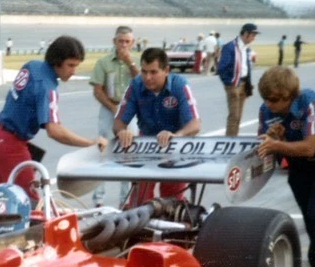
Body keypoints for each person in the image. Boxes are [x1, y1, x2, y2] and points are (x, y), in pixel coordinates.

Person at [0, 35, 107, 201]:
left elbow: (26, 103)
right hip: (12, 144)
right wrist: (90, 143)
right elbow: (54, 130)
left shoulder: (32, 66)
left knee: (1, 198)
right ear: (57, 61)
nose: (73, 71)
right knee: (29, 201)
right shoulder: (47, 88)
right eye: (70, 65)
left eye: (76, 66)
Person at [257, 66, 315, 267]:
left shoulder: (311, 103)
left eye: (274, 100)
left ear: (289, 96)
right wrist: (272, 137)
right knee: (309, 216)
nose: (269, 104)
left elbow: (309, 147)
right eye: (266, 99)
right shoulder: (266, 109)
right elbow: (264, 144)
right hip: (299, 165)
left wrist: (278, 144)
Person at [114, 46, 201, 206]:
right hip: (146, 145)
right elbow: (119, 121)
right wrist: (122, 132)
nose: (147, 77)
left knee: (172, 202)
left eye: (153, 72)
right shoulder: (135, 85)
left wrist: (177, 135)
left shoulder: (180, 85)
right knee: (140, 200)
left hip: (174, 146)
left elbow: (195, 124)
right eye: (144, 71)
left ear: (166, 70)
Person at [90, 25, 140, 207]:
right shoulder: (104, 62)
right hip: (109, 107)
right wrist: (113, 108)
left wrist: (130, 63)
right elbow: (97, 90)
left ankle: (125, 199)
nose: (124, 45)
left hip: (130, 110)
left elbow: (142, 84)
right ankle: (99, 199)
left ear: (133, 43)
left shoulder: (136, 62)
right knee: (103, 150)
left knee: (129, 151)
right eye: (121, 41)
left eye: (127, 42)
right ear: (114, 42)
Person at [217, 22, 259, 136]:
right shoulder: (230, 47)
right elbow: (221, 68)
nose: (254, 38)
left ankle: (234, 139)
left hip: (244, 84)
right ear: (246, 34)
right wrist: (229, 83)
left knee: (239, 116)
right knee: (234, 116)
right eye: (253, 35)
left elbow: (246, 67)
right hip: (234, 84)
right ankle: (229, 141)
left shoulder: (247, 49)